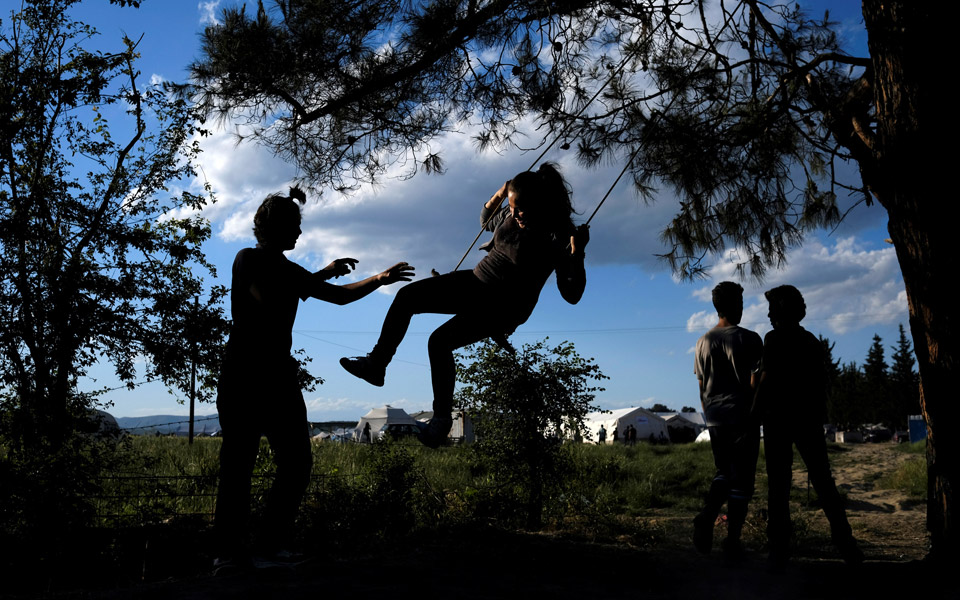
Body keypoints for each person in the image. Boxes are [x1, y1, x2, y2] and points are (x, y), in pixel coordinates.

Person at [213, 187, 413, 572]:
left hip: (276, 376)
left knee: (297, 461)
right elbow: (270, 296)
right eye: (296, 225)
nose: (300, 233)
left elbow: (334, 297)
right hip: (245, 374)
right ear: (276, 227)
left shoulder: (286, 271)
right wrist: (316, 278)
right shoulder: (247, 259)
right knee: (238, 464)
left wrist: (379, 278)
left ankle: (268, 548)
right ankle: (227, 555)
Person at [340, 163, 589, 447]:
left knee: (439, 342)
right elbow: (486, 220)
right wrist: (499, 195)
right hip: (475, 282)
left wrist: (578, 253)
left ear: (539, 203)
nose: (516, 214)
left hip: (503, 306)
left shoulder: (557, 234)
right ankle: (377, 364)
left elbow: (572, 294)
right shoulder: (510, 214)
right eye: (512, 207)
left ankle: (440, 422)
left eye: (521, 209)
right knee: (407, 296)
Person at [753, 285, 863, 568]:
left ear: (780, 311)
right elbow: (820, 386)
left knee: (779, 484)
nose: (767, 314)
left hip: (778, 420)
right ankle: (846, 544)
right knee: (824, 482)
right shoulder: (812, 342)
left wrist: (753, 412)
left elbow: (765, 381)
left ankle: (779, 547)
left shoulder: (773, 340)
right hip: (808, 420)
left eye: (771, 308)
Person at [693, 281, 763, 561]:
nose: (743, 309)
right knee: (742, 482)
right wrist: (754, 416)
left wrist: (710, 414)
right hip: (742, 416)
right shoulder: (749, 339)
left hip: (714, 418)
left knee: (723, 470)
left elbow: (701, 387)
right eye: (742, 304)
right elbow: (756, 383)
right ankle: (730, 539)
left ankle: (709, 516)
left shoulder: (702, 341)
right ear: (735, 305)